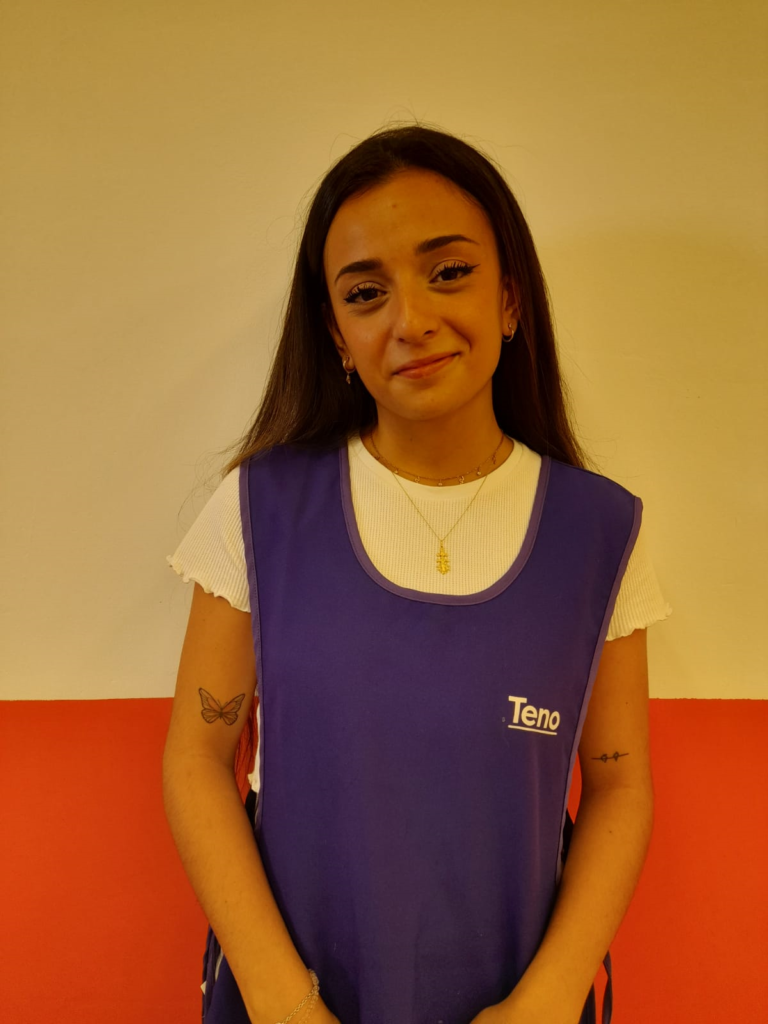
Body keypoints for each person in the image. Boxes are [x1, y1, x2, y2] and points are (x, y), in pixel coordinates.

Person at [162, 123, 671, 1024]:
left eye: (449, 272)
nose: (412, 320)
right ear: (337, 334)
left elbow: (619, 783)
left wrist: (551, 998)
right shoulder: (259, 511)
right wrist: (279, 997)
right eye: (367, 293)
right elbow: (197, 758)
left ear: (510, 299)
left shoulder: (600, 533)